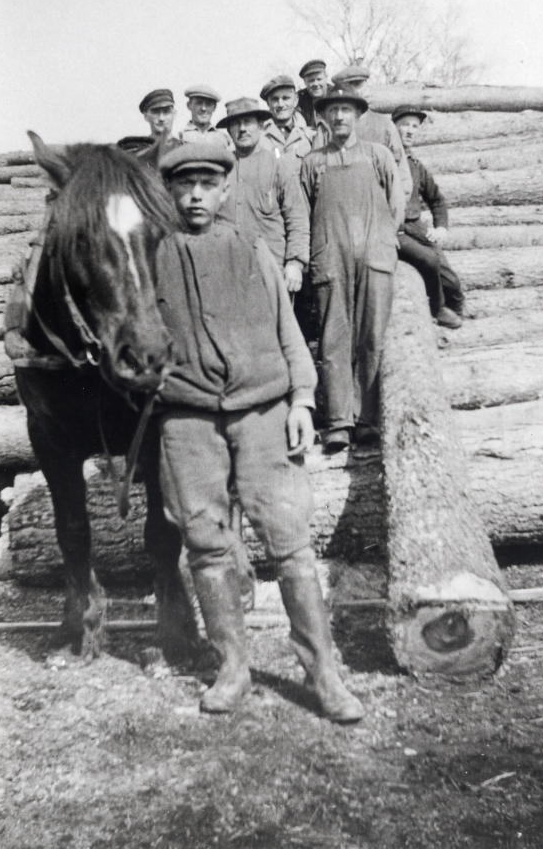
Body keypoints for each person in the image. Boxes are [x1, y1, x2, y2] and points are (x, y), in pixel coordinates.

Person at [154, 141, 364, 722]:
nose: (196, 196)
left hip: (264, 412)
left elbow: (288, 330)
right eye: (184, 185)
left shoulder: (252, 249)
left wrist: (302, 400)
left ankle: (324, 675)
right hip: (187, 420)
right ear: (170, 192)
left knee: (290, 544)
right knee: (206, 545)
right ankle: (233, 669)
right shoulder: (151, 257)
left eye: (207, 185)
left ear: (226, 190)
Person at [301, 85, 404, 454]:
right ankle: (339, 423)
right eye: (333, 110)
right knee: (333, 339)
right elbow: (303, 211)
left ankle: (368, 420)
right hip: (331, 257)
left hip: (374, 256)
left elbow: (396, 203)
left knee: (372, 335)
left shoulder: (378, 155)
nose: (339, 116)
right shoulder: (313, 162)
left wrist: (383, 241)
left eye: (346, 109)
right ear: (324, 117)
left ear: (358, 115)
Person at [215, 97, 309, 294]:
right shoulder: (218, 170)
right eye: (236, 124)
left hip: (270, 272)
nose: (242, 129)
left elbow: (297, 218)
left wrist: (295, 263)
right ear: (229, 130)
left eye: (248, 122)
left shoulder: (279, 165)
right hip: (226, 272)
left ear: (260, 126)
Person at [392, 104, 465, 327]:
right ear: (393, 127)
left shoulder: (416, 166)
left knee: (451, 279)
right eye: (405, 125)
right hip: (393, 229)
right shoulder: (383, 158)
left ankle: (457, 313)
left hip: (415, 226)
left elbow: (437, 200)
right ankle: (437, 308)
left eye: (415, 126)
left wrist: (441, 227)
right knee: (428, 260)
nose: (410, 131)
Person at [331, 65, 413, 201]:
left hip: (379, 204)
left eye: (358, 85)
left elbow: (402, 174)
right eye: (348, 86)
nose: (354, 91)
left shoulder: (384, 125)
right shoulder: (331, 127)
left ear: (367, 88)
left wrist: (395, 208)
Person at [260, 75, 315, 163]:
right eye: (275, 99)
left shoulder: (310, 136)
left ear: (295, 100)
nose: (281, 104)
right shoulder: (259, 136)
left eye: (285, 98)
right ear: (268, 103)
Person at [117, 89, 180, 156]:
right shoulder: (135, 150)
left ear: (174, 114)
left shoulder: (184, 148)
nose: (161, 118)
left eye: (166, 111)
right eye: (155, 112)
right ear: (146, 116)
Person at [296, 59, 330, 147]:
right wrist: (302, 129)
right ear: (305, 82)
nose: (316, 84)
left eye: (319, 79)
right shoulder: (300, 98)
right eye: (311, 81)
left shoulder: (335, 94)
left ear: (326, 77)